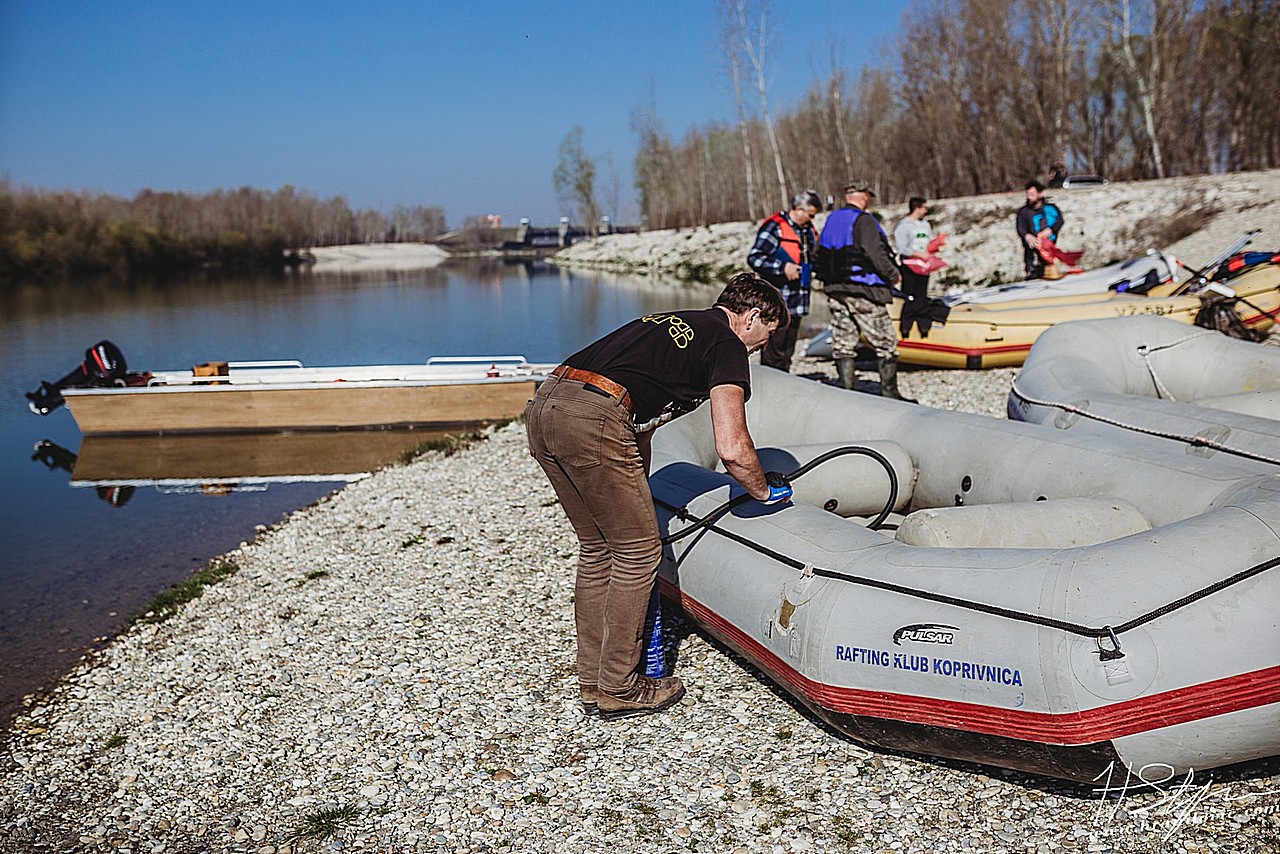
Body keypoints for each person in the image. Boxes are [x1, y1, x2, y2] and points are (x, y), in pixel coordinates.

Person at [524, 273, 795, 721]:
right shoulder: (727, 344)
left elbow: (640, 421)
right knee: (638, 552)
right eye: (766, 335)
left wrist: (629, 486)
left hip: (547, 406)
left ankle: (593, 680)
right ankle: (620, 687)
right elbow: (731, 446)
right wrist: (763, 490)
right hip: (593, 417)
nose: (761, 348)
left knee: (598, 549)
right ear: (751, 317)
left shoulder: (672, 322)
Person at [814, 180, 915, 402]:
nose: (868, 200)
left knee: (843, 341)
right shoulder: (864, 220)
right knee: (885, 342)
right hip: (864, 290)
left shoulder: (832, 219)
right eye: (868, 196)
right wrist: (893, 274)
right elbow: (875, 253)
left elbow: (818, 252)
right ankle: (890, 394)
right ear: (862, 196)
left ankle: (846, 392)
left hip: (835, 289)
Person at [746, 190, 822, 372]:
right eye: (811, 215)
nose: (812, 219)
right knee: (773, 352)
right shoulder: (775, 227)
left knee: (787, 352)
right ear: (799, 209)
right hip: (777, 304)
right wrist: (782, 267)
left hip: (798, 302)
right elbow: (755, 258)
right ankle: (768, 384)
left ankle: (784, 381)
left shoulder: (808, 231)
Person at [1015, 181, 1064, 279]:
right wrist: (1027, 236)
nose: (1029, 197)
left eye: (1032, 194)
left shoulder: (1051, 208)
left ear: (1039, 194)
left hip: (1048, 249)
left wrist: (1051, 230)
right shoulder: (1023, 212)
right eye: (1027, 194)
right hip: (1032, 250)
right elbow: (1020, 227)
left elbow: (1059, 221)